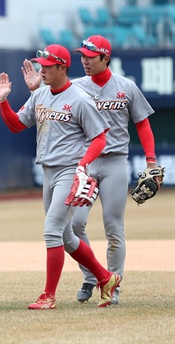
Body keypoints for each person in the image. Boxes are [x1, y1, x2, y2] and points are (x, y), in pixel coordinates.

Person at [21, 35, 162, 305]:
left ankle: (114, 286)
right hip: (82, 162)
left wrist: (151, 160)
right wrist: (34, 90)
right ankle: (92, 276)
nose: (85, 60)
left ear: (105, 58)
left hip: (114, 161)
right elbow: (49, 106)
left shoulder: (126, 87)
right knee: (72, 224)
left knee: (112, 227)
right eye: (82, 55)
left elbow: (142, 124)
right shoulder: (76, 87)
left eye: (90, 56)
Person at [0, 44, 121, 309]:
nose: (42, 70)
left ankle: (48, 296)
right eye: (41, 65)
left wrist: (83, 165)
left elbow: (100, 137)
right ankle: (105, 278)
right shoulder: (40, 94)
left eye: (47, 66)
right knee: (65, 237)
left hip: (68, 171)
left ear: (63, 67)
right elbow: (17, 125)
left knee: (52, 231)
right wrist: (3, 101)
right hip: (48, 172)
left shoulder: (80, 98)